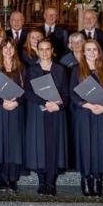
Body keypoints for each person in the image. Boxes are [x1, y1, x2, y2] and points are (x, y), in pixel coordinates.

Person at [70, 39, 103, 197]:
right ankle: (85, 178)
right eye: (88, 49)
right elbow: (73, 94)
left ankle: (97, 179)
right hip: (84, 113)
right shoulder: (76, 69)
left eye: (95, 49)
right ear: (83, 52)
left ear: (99, 52)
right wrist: (88, 105)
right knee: (85, 146)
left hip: (102, 113)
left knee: (99, 146)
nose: (92, 52)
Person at [24, 39, 69, 196]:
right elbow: (28, 92)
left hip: (55, 113)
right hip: (38, 112)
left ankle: (51, 182)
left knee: (53, 147)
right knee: (39, 147)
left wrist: (58, 105)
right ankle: (42, 181)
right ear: (37, 51)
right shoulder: (31, 70)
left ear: (52, 51)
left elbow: (66, 93)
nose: (44, 52)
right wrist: (44, 102)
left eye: (47, 49)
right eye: (41, 49)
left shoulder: (61, 70)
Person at [0, 39, 26, 191]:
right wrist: (2, 101)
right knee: (0, 142)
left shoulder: (21, 68)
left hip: (17, 108)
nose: (8, 50)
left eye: (11, 47)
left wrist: (17, 102)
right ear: (1, 49)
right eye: (5, 47)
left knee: (14, 143)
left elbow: (26, 89)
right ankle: (3, 178)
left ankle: (13, 177)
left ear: (15, 50)